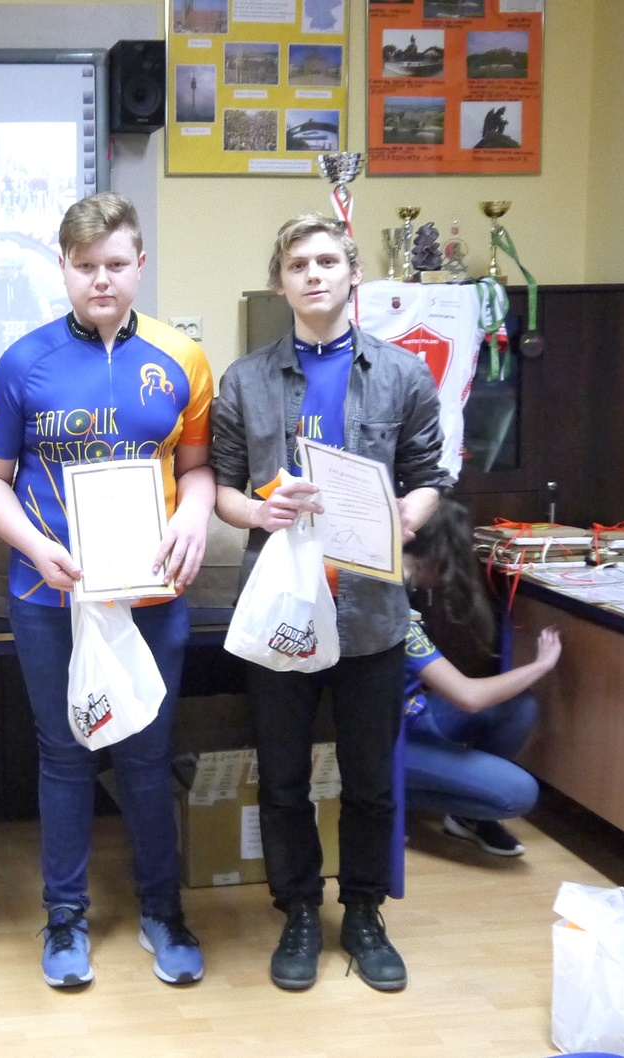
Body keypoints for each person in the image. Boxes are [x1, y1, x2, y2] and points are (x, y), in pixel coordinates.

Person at [0, 193, 216, 990]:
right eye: (84, 266)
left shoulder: (183, 356)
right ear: (63, 269)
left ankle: (162, 911)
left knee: (146, 753)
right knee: (66, 753)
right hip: (51, 594)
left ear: (139, 264)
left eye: (114, 264)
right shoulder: (23, 361)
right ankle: (65, 916)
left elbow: (198, 468)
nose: (100, 280)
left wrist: (197, 515)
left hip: (150, 592)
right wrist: (34, 547)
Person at [211, 214, 453, 994]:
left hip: (372, 615)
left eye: (326, 261)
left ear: (353, 272)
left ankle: (365, 914)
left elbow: (430, 476)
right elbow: (219, 488)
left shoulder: (402, 375)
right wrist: (257, 511)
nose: (313, 275)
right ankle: (300, 912)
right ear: (278, 282)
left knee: (370, 781)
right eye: (297, 264)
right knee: (283, 777)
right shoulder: (244, 381)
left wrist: (406, 515)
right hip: (282, 610)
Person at [402, 499, 557, 856]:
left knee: (517, 704)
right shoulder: (390, 603)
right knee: (518, 793)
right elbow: (468, 696)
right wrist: (540, 666)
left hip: (414, 715)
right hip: (384, 741)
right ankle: (392, 799)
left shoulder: (406, 588)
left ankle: (464, 816)